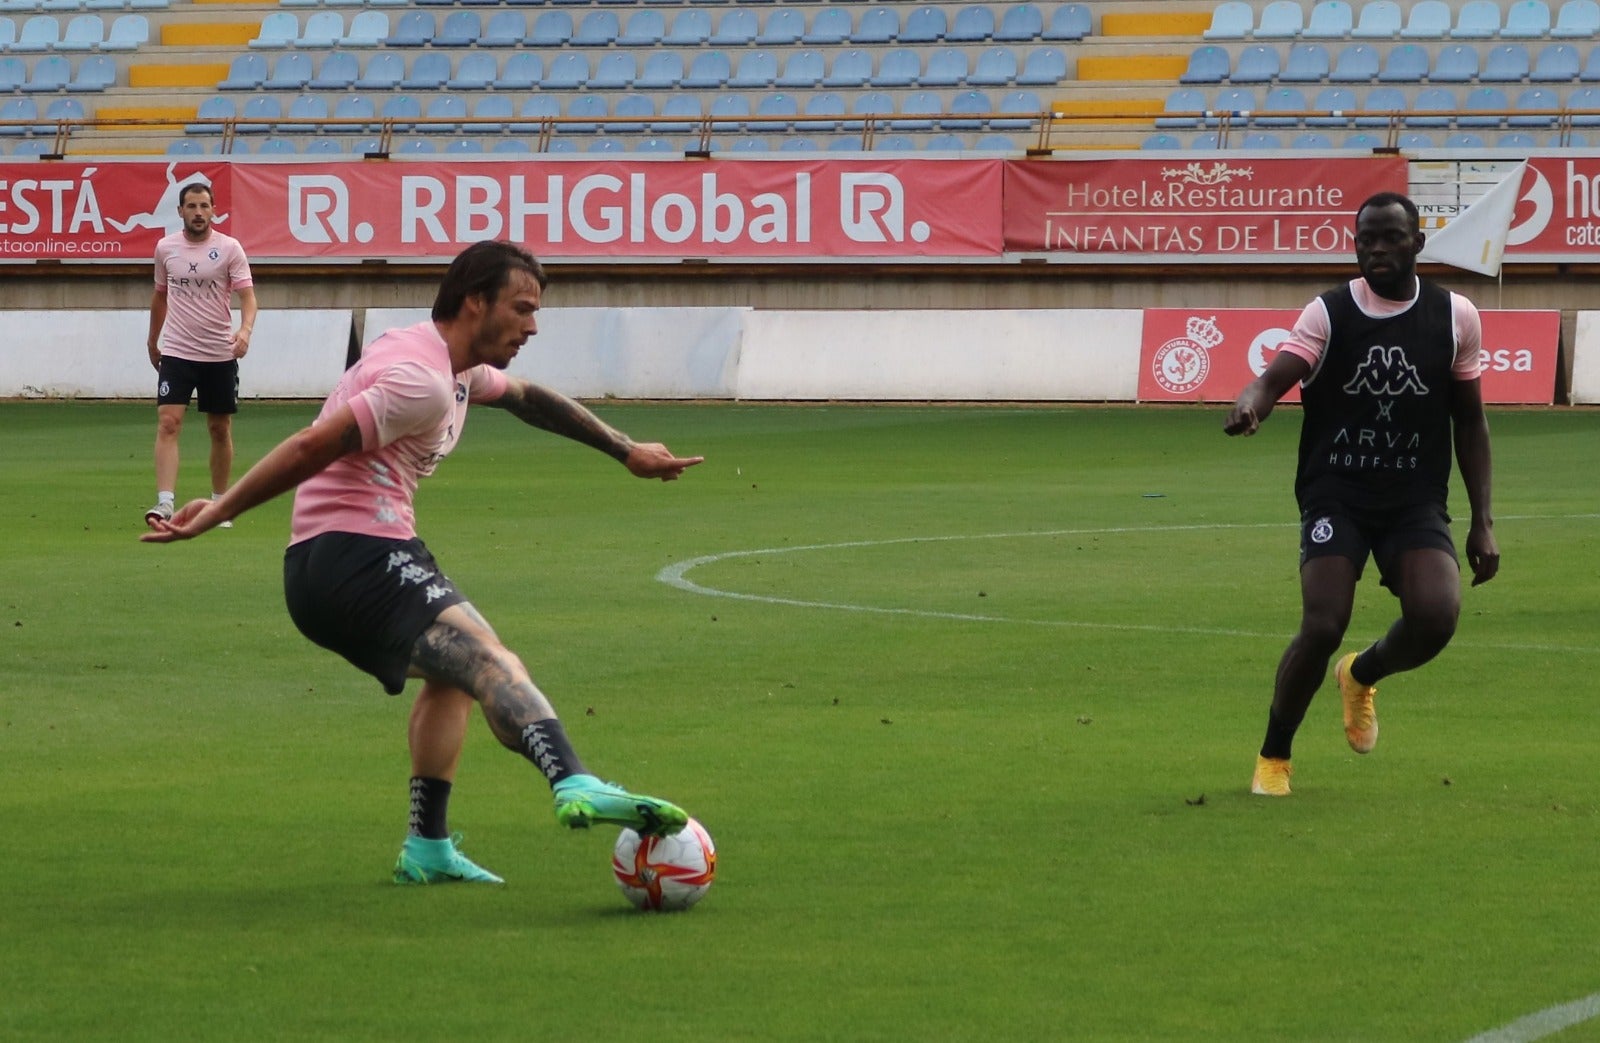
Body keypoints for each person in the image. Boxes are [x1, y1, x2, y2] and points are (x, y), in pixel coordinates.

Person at [143, 240, 704, 884]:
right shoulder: (423, 381)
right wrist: (219, 510)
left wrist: (625, 448)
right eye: (521, 309)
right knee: (490, 661)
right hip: (354, 556)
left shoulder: (451, 367)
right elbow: (311, 446)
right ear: (474, 302)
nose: (533, 325)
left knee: (458, 674)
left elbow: (526, 398)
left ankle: (428, 847)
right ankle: (573, 780)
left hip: (340, 561)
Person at [1223, 191, 1499, 797]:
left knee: (1436, 617)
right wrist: (1252, 403)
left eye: (1390, 237)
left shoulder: (1457, 317)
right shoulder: (1329, 312)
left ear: (1418, 244)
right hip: (1337, 493)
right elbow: (1275, 377)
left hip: (1414, 498)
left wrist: (1482, 520)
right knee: (1323, 623)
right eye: (1366, 238)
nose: (1376, 249)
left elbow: (1470, 422)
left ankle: (1361, 673)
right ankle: (1275, 755)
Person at [145, 181, 258, 529]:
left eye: (204, 206)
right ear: (180, 211)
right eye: (191, 206)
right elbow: (160, 296)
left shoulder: (229, 248)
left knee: (219, 428)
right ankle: (165, 503)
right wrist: (153, 341)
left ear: (213, 210)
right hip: (178, 351)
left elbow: (248, 298)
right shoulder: (166, 249)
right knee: (169, 422)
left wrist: (245, 331)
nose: (198, 212)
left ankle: (220, 505)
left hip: (218, 353)